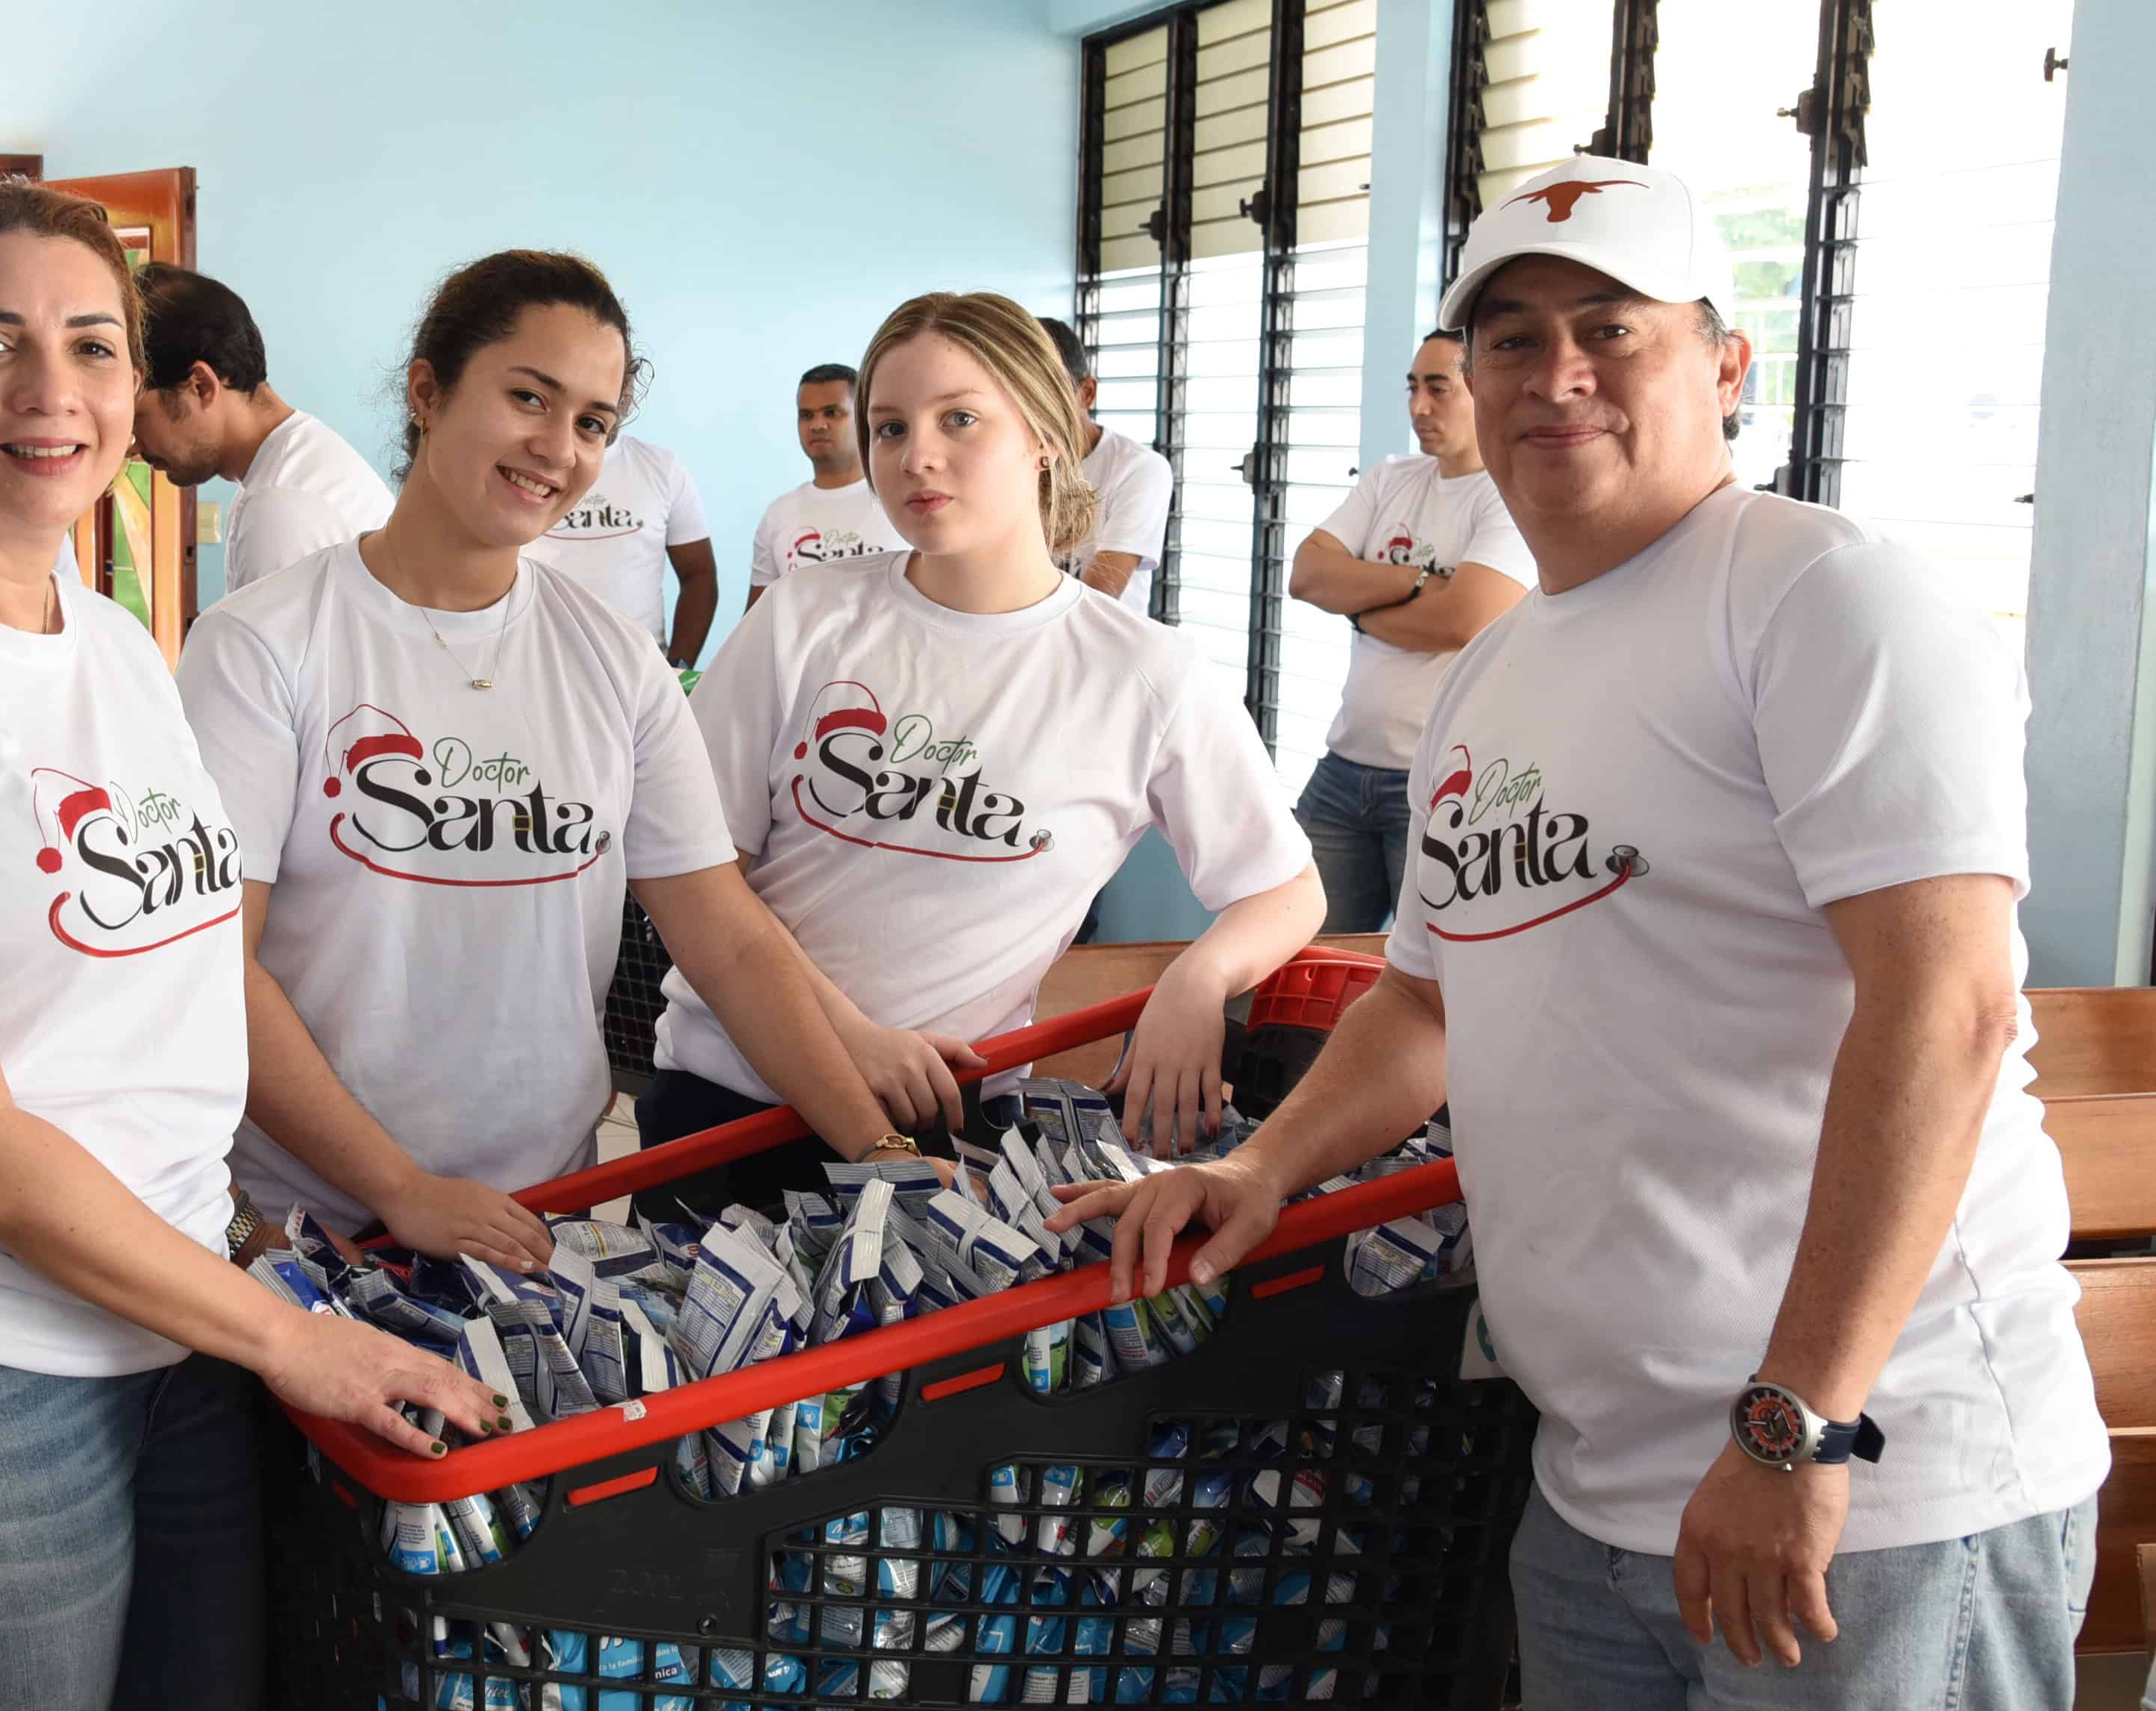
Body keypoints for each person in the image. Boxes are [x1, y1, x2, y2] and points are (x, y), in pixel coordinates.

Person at [1052, 157, 2106, 1710]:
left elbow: (1944, 1013)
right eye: (1511, 336)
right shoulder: (1492, 674)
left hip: (1864, 1483)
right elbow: (1421, 1004)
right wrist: (1259, 1170)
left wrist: (1794, 1419)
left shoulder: (1822, 600)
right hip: (1595, 1479)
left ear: (1724, 365)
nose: (1557, 376)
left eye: (1612, 329)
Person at [0, 183, 502, 1711]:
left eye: (90, 345)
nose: (49, 389)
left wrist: (253, 1249)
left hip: (166, 1318)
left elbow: (163, 996)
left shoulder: (117, 643)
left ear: (137, 390)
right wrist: (291, 1342)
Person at [175, 250, 908, 1258]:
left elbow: (727, 938)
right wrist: (399, 1186)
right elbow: (215, 962)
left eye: (594, 422)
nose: (557, 447)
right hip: (324, 1226)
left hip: (541, 1214)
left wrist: (879, 1149)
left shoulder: (613, 659)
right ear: (427, 391)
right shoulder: (263, 643)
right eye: (528, 396)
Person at [643, 291, 1321, 1216]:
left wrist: (1196, 979)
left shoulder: (1145, 673)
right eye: (889, 426)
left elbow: (1286, 887)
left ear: (1047, 432)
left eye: (959, 418)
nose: (916, 455)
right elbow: (699, 884)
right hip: (732, 1104)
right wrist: (852, 1037)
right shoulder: (803, 618)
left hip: (951, 1117)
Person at [1286, 330, 1534, 931]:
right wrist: (1423, 582)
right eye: (1414, 388)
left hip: (1441, 783)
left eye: (1439, 389)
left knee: (1429, 982)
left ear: (1482, 390)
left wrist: (1360, 603)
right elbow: (1307, 574)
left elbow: (1467, 618)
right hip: (1341, 769)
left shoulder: (1514, 493)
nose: (1418, 407)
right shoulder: (1390, 478)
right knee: (1298, 968)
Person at [129, 263, 393, 594]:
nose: (132, 447)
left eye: (138, 417)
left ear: (201, 386)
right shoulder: (293, 469)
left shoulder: (283, 510)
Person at [527, 431, 718, 667]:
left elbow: (698, 573)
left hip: (642, 670)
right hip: (536, 663)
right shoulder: (528, 462)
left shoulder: (661, 467)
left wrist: (679, 667)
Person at [1035, 314, 1173, 616]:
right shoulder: (1010, 462)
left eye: (1049, 396)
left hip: (1105, 651)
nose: (1036, 411)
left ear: (1086, 393)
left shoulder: (1139, 469)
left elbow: (1100, 597)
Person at [746, 362, 903, 609]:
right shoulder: (778, 514)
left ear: (863, 418)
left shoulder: (900, 501)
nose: (817, 425)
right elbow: (758, 623)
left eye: (832, 412)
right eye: (806, 415)